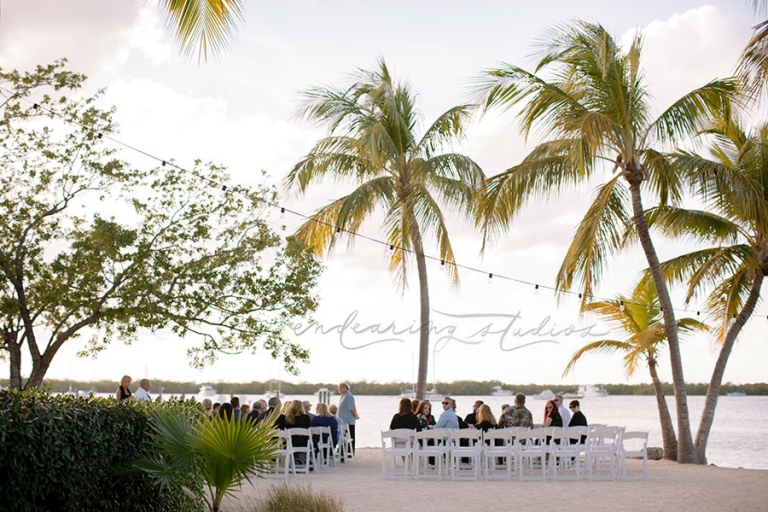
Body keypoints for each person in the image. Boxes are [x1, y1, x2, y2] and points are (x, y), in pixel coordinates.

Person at [337, 382, 359, 456]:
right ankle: (344, 451)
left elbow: (352, 408)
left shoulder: (348, 396)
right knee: (344, 436)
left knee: (350, 436)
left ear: (344, 387)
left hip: (348, 421)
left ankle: (350, 453)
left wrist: (356, 415)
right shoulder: (344, 396)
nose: (339, 389)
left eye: (340, 387)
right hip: (343, 421)